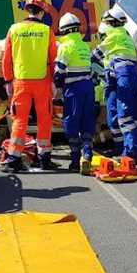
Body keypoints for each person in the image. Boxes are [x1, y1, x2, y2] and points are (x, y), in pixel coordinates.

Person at [1, 0, 58, 172]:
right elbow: (53, 59)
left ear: (27, 10)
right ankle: (44, 158)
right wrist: (54, 82)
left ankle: (13, 159)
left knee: (19, 121)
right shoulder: (47, 31)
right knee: (45, 119)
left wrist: (8, 80)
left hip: (20, 82)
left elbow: (7, 59)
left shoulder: (14, 29)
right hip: (42, 82)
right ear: (41, 12)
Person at [93, 8, 137, 162]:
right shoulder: (123, 37)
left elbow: (96, 54)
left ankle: (133, 152)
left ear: (112, 23)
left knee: (125, 116)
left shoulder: (116, 34)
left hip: (124, 76)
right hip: (115, 78)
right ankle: (120, 149)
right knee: (113, 117)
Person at [54, 12, 97, 175]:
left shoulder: (65, 47)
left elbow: (59, 72)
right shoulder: (85, 46)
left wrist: (57, 89)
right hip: (88, 88)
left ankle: (74, 160)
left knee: (71, 123)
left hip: (73, 90)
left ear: (63, 30)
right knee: (87, 122)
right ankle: (87, 153)